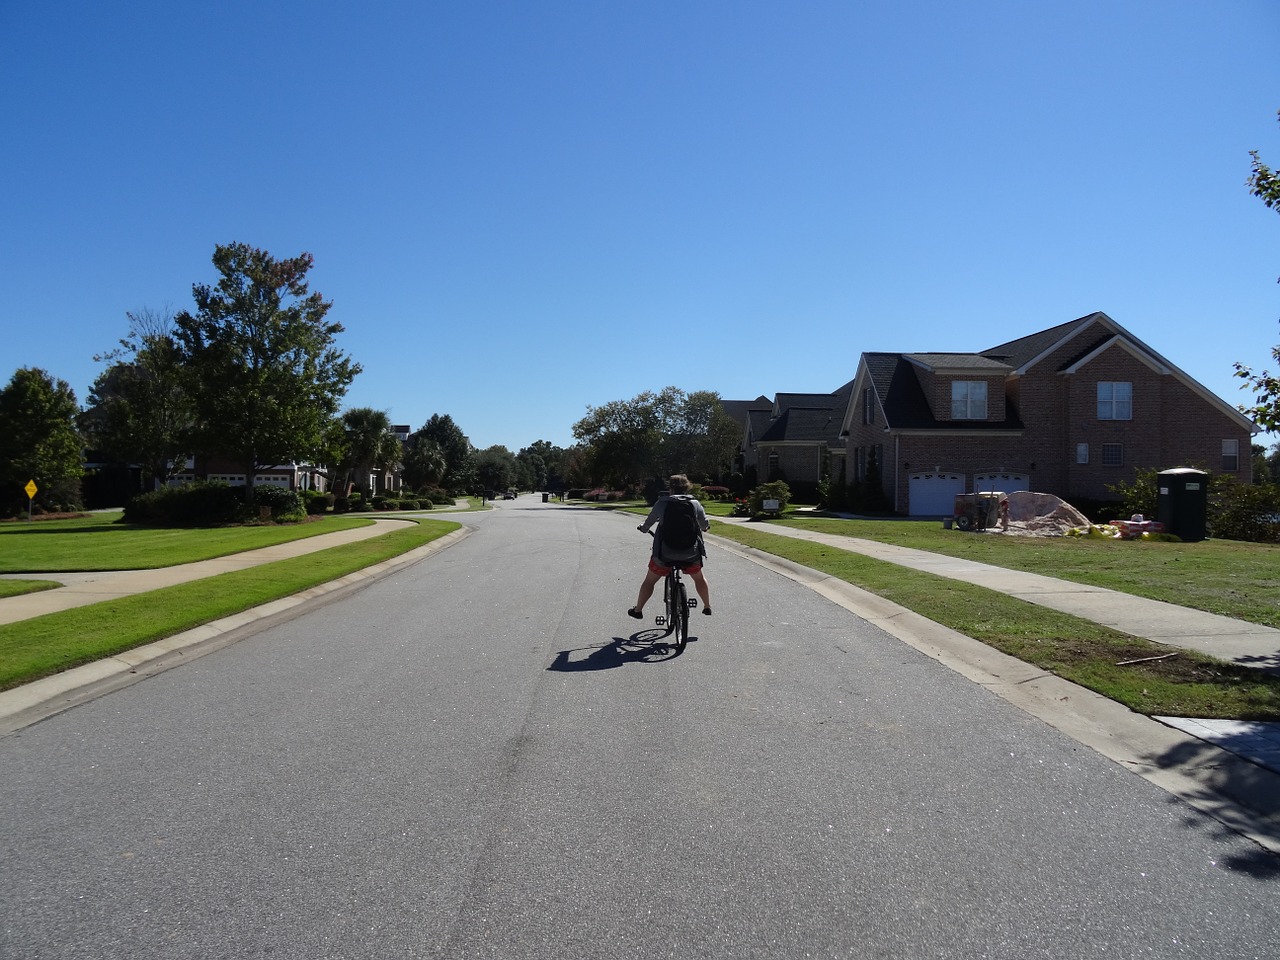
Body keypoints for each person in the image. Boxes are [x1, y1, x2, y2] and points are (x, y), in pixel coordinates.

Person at [628, 474, 712, 619]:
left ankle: (638, 610)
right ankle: (707, 606)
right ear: (687, 487)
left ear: (670, 488)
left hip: (664, 554)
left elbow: (648, 523)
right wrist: (704, 528)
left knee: (650, 581)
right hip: (690, 554)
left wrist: (643, 528)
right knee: (699, 578)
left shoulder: (662, 503)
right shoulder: (695, 503)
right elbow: (704, 525)